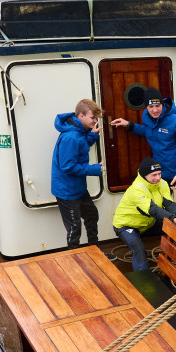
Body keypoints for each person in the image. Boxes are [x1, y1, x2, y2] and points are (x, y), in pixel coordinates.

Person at [110, 87, 176, 190]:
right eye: (151, 106)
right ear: (146, 107)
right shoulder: (148, 118)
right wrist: (129, 124)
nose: (155, 110)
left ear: (162, 104)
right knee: (164, 205)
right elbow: (149, 131)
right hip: (161, 175)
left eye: (157, 105)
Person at [51, 99, 104, 248]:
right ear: (81, 116)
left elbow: (80, 147)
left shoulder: (78, 132)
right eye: (93, 118)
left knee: (92, 215)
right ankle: (74, 263)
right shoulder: (71, 137)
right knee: (74, 229)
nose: (95, 121)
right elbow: (68, 166)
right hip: (67, 191)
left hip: (78, 188)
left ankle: (95, 252)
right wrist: (93, 169)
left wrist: (92, 136)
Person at [112, 157, 176, 271]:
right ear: (144, 175)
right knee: (138, 249)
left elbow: (169, 204)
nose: (158, 178)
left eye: (159, 174)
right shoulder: (137, 189)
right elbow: (153, 210)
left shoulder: (162, 184)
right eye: (154, 175)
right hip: (126, 225)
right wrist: (173, 218)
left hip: (147, 223)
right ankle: (143, 281)